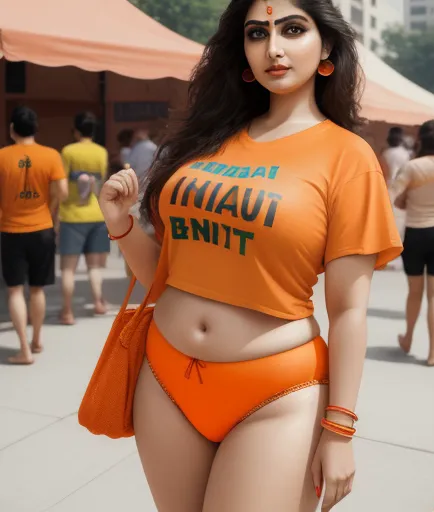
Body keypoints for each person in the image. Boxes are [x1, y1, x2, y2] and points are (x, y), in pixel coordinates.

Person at [97, 1, 402, 510]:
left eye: (293, 29)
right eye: (257, 33)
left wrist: (341, 429)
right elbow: (168, 276)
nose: (273, 47)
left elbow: (349, 309)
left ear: (326, 47)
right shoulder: (206, 143)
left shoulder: (349, 158)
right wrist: (122, 225)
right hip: (165, 379)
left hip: (277, 394)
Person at [0, 106, 67, 364]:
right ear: (36, 129)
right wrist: (49, 209)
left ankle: (23, 350)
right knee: (38, 289)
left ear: (12, 129)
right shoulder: (50, 155)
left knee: (15, 290)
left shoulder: (3, 156)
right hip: (42, 228)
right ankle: (37, 340)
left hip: (10, 229)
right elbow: (62, 191)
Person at [393, 120, 434, 366]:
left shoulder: (411, 167)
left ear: (420, 138)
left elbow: (394, 197)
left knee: (414, 292)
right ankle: (433, 352)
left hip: (416, 233)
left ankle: (408, 338)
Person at [58, 112, 109, 325]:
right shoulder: (101, 152)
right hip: (96, 214)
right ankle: (98, 302)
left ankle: (68, 311)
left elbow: (61, 183)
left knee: (68, 269)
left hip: (71, 215)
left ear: (76, 130)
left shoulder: (68, 151)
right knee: (94, 267)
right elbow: (102, 181)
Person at [380, 126, 410, 270]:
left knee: (386, 225)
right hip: (401, 190)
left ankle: (386, 256)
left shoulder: (385, 153)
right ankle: (396, 257)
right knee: (399, 225)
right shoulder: (406, 154)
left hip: (387, 190)